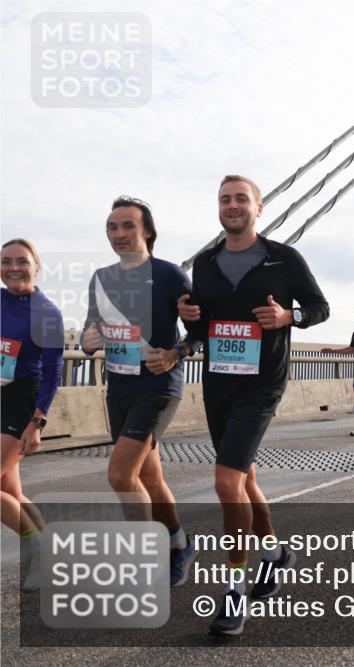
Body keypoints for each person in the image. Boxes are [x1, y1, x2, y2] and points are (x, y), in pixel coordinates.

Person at [178, 175, 330, 636]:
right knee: (244, 479)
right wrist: (188, 327)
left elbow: (320, 307)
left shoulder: (284, 258)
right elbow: (203, 326)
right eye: (225, 199)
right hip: (218, 383)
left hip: (262, 384)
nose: (232, 205)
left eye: (241, 198)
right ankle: (276, 554)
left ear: (258, 208)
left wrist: (290, 316)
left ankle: (234, 592)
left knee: (226, 482)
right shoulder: (204, 263)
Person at [80, 197, 196, 586]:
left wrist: (176, 353)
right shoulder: (101, 278)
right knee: (150, 479)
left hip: (159, 388)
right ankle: (179, 543)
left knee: (119, 475)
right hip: (120, 387)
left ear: (147, 231)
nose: (119, 234)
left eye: (128, 226)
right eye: (112, 227)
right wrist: (89, 339)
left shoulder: (170, 275)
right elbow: (88, 334)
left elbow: (201, 329)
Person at [1, 239, 63, 592]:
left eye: (21, 261)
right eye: (6, 261)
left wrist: (37, 422)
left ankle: (38, 549)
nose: (13, 268)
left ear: (36, 267)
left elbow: (54, 373)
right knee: (9, 489)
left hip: (22, 401)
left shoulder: (47, 312)